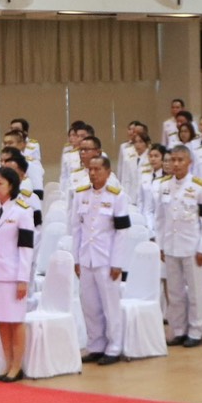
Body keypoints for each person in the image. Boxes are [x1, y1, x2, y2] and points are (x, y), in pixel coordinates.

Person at [71, 154, 134, 365]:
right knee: (89, 305)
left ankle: (114, 347)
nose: (93, 173)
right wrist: (76, 259)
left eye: (97, 169)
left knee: (110, 306)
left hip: (107, 259)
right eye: (90, 169)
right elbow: (76, 228)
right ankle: (95, 345)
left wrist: (118, 262)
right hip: (86, 257)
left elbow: (122, 232)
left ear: (108, 172)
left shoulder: (117, 196)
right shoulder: (81, 195)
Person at [0, 166, 38, 381]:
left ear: (11, 185)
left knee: (14, 320)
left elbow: (26, 248)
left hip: (12, 275)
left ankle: (16, 366)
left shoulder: (23, 211)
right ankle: (7, 363)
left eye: (0, 183)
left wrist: (23, 279)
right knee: (1, 321)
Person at [156, 144, 202, 347]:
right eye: (173, 160)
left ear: (189, 163)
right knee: (175, 291)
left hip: (192, 246)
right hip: (171, 245)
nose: (176, 164)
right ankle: (178, 329)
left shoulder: (199, 187)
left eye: (181, 160)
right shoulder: (163, 186)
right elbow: (160, 219)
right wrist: (161, 245)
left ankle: (196, 331)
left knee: (195, 290)